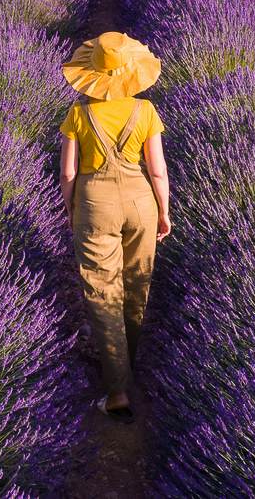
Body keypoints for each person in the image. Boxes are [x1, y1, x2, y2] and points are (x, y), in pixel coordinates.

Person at [58, 31, 171, 421]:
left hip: (96, 204)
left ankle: (117, 388)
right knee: (137, 284)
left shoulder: (78, 113)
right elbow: (157, 170)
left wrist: (72, 209)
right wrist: (164, 211)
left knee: (102, 290)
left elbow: (68, 173)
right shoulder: (146, 111)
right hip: (141, 202)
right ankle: (128, 362)